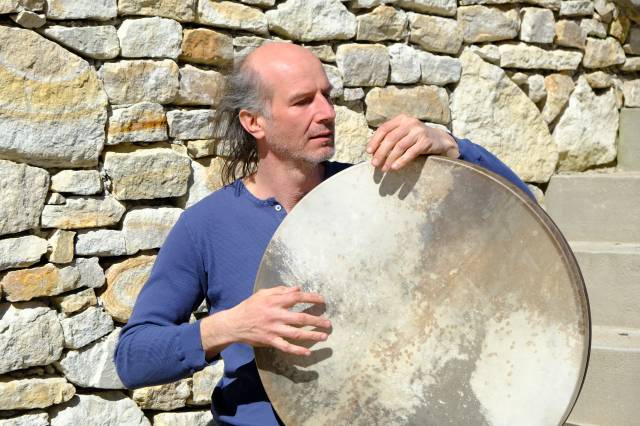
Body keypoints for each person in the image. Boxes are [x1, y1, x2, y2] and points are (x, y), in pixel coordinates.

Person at [115, 43, 534, 425]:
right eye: (302, 101)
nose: (326, 113)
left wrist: (452, 147)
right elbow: (133, 359)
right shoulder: (206, 225)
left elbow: (522, 219)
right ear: (254, 121)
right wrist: (231, 326)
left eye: (327, 96)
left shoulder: (380, 191)